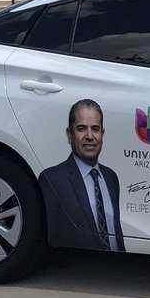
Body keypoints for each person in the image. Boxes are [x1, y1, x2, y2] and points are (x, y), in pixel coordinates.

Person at [39, 99, 125, 252]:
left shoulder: (111, 178)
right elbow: (49, 238)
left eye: (96, 129)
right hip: (78, 271)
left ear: (102, 134)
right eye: (81, 128)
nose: (90, 136)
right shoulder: (52, 179)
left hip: (118, 271)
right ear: (70, 134)